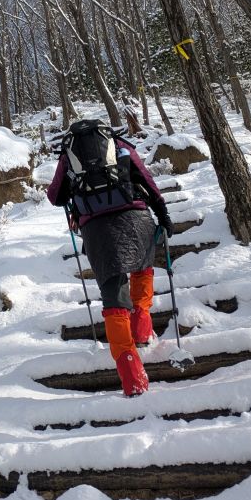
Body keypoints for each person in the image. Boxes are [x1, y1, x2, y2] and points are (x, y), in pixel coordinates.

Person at [47, 120, 173, 397]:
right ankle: (142, 327)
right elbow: (145, 179)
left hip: (97, 230)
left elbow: (55, 197)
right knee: (142, 268)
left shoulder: (68, 155)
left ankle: (131, 374)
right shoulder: (120, 145)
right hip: (136, 218)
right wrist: (163, 214)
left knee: (112, 292)